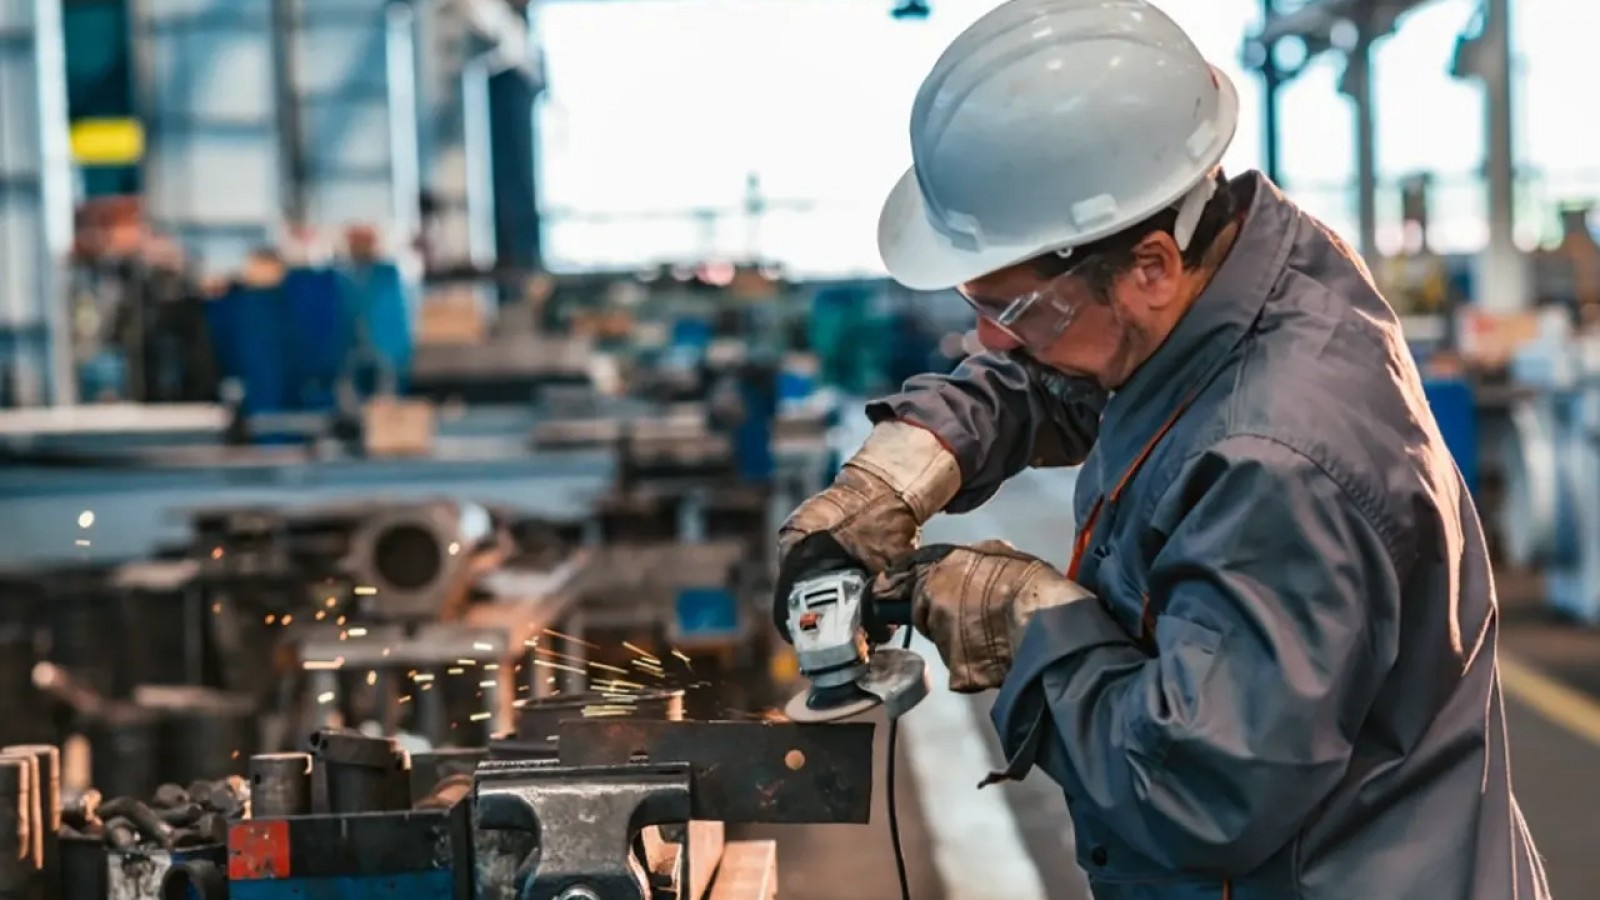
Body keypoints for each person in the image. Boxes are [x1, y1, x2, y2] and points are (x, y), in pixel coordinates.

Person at [771, 1, 1550, 898]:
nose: (987, 341)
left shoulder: (1278, 463)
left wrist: (1020, 617)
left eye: (1010, 309)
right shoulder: (1238, 271)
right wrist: (904, 466)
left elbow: (1192, 790)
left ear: (1148, 264)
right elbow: (1061, 372)